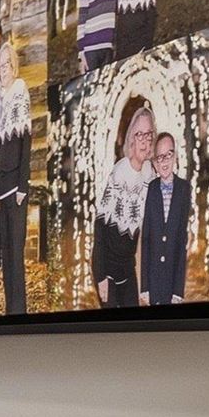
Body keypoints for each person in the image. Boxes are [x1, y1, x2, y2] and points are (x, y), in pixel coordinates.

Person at [0, 31, 29, 315]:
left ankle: (18, 310)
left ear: (14, 67)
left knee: (16, 253)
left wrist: (24, 183)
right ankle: (9, 310)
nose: (3, 71)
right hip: (2, 185)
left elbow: (25, 141)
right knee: (6, 251)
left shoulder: (20, 93)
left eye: (6, 65)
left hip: (17, 186)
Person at [92, 100, 151, 308]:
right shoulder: (119, 172)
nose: (144, 141)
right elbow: (99, 223)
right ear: (131, 139)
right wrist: (100, 276)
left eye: (148, 134)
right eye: (139, 134)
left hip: (128, 268)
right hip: (107, 268)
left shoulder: (150, 174)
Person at [140, 128, 191, 305]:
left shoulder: (184, 189)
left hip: (172, 277)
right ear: (154, 162)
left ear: (175, 156)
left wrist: (178, 290)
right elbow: (146, 239)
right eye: (159, 157)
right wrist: (145, 286)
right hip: (153, 279)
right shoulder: (151, 189)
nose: (164, 161)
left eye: (168, 155)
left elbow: (181, 241)